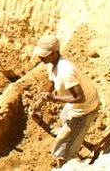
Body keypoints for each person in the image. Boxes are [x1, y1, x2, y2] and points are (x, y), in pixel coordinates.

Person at [33, 34, 100, 167]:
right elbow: (51, 80)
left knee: (61, 152)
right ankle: (77, 139)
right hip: (76, 106)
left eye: (44, 54)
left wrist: (54, 98)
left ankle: (68, 160)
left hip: (85, 110)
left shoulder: (66, 71)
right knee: (64, 116)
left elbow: (80, 98)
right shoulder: (51, 63)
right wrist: (41, 99)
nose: (40, 57)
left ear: (54, 53)